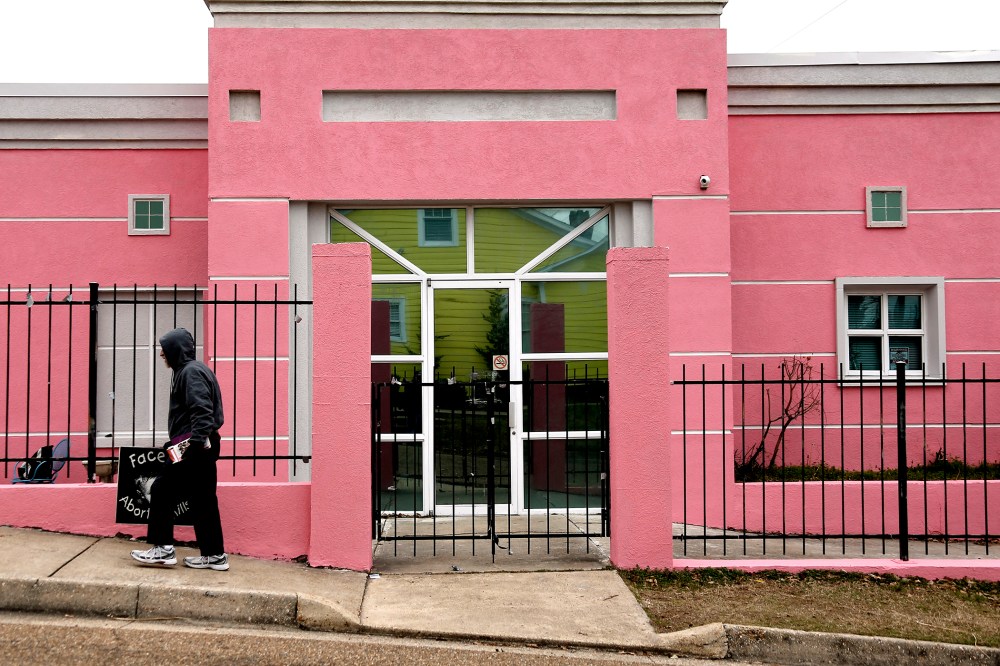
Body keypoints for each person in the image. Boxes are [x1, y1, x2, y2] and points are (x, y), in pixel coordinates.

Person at [130, 327, 228, 571]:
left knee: (161, 488)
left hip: (193, 444)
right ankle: (214, 555)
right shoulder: (191, 370)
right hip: (201, 442)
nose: (162, 354)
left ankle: (162, 549)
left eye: (165, 349)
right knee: (203, 499)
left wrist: (192, 445)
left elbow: (201, 410)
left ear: (176, 349)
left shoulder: (190, 372)